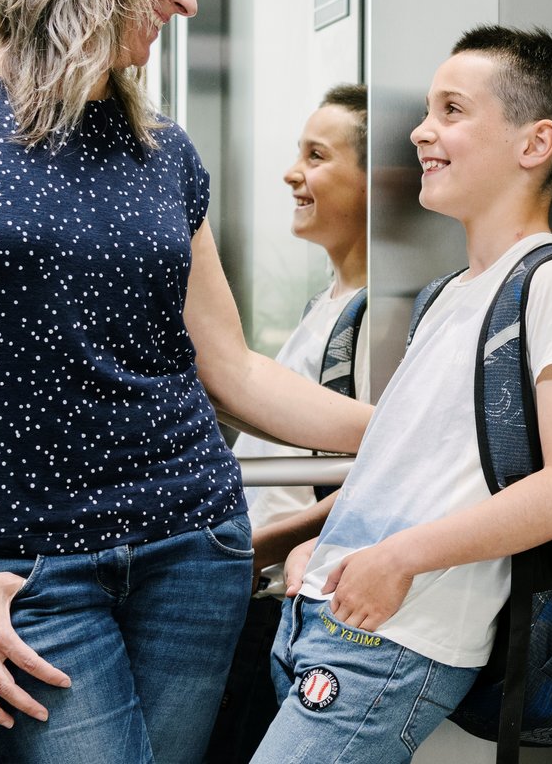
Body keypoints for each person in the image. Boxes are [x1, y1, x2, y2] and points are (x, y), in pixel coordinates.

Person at [0, 0, 374, 764]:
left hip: (191, 551)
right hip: (12, 572)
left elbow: (227, 366)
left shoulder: (162, 150)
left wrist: (406, 431)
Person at [249, 26, 552, 764]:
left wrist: (398, 559)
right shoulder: (446, 295)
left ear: (535, 143)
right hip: (331, 614)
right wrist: (324, 543)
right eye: (427, 109)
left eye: (452, 110)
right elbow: (405, 469)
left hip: (397, 636)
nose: (422, 131)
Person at [207, 84, 372, 764]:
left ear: (374, 183)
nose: (291, 173)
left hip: (279, 597)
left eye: (317, 155)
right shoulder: (326, 304)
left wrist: (260, 547)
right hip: (255, 587)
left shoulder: (375, 319)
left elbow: (378, 474)